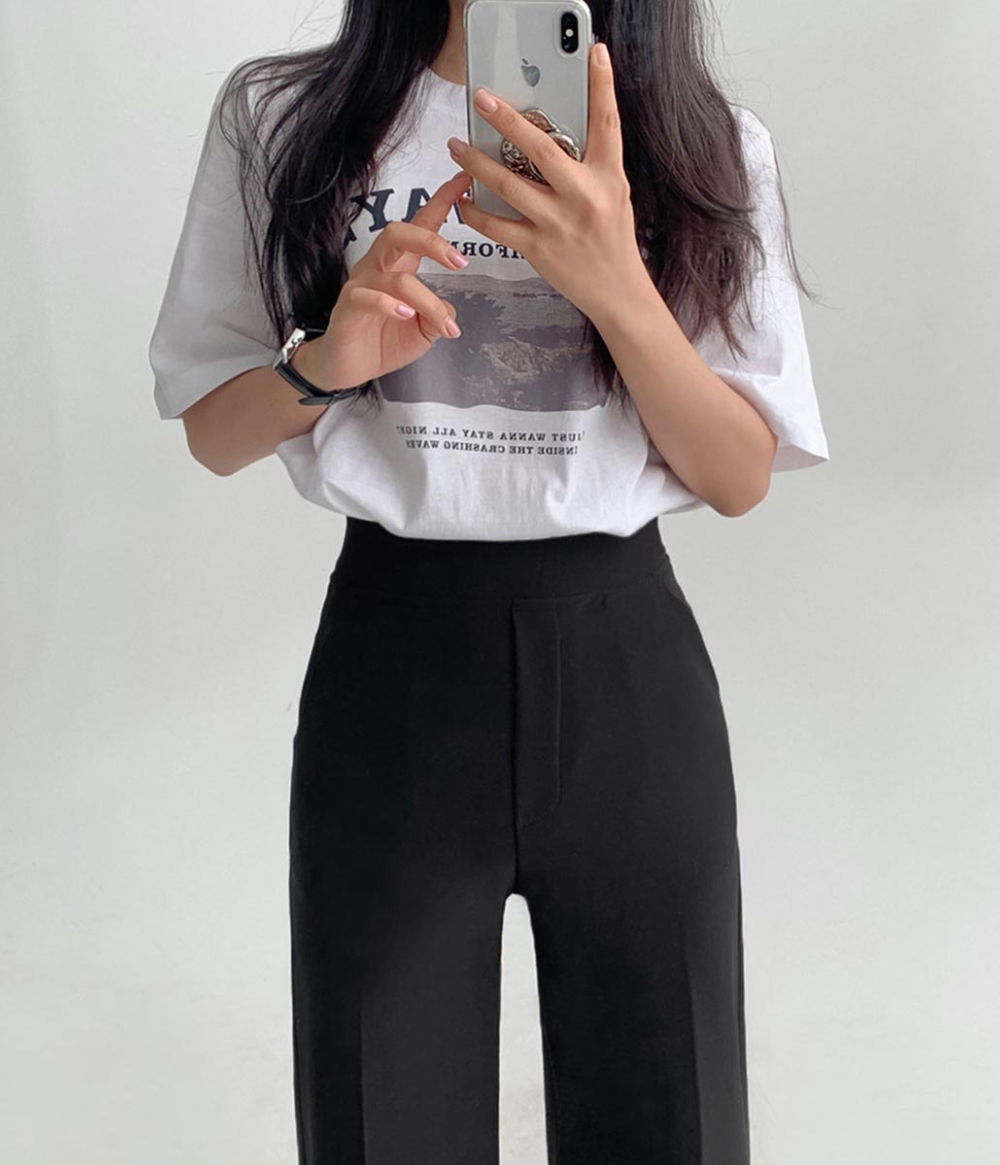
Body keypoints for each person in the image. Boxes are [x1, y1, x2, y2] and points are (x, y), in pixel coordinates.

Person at [148, 1, 830, 1160]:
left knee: (670, 1115)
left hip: (625, 669)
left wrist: (614, 281)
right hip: (393, 667)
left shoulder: (701, 140)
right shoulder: (286, 117)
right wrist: (328, 364)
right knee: (382, 1116)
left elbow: (737, 474)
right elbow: (213, 433)